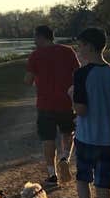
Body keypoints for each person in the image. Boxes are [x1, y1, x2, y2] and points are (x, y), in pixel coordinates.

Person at [71, 27, 110, 198]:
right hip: (109, 138)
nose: (78, 50)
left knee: (83, 179)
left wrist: (71, 96)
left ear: (90, 47)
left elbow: (81, 110)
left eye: (80, 46)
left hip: (87, 137)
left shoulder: (82, 74)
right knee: (104, 186)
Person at [24, 25, 80, 185]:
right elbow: (78, 73)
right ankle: (65, 157)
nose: (34, 41)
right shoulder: (68, 51)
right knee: (68, 133)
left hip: (45, 105)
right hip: (66, 103)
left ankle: (52, 174)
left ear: (41, 37)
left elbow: (28, 81)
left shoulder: (35, 55)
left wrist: (36, 78)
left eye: (35, 37)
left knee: (48, 139)